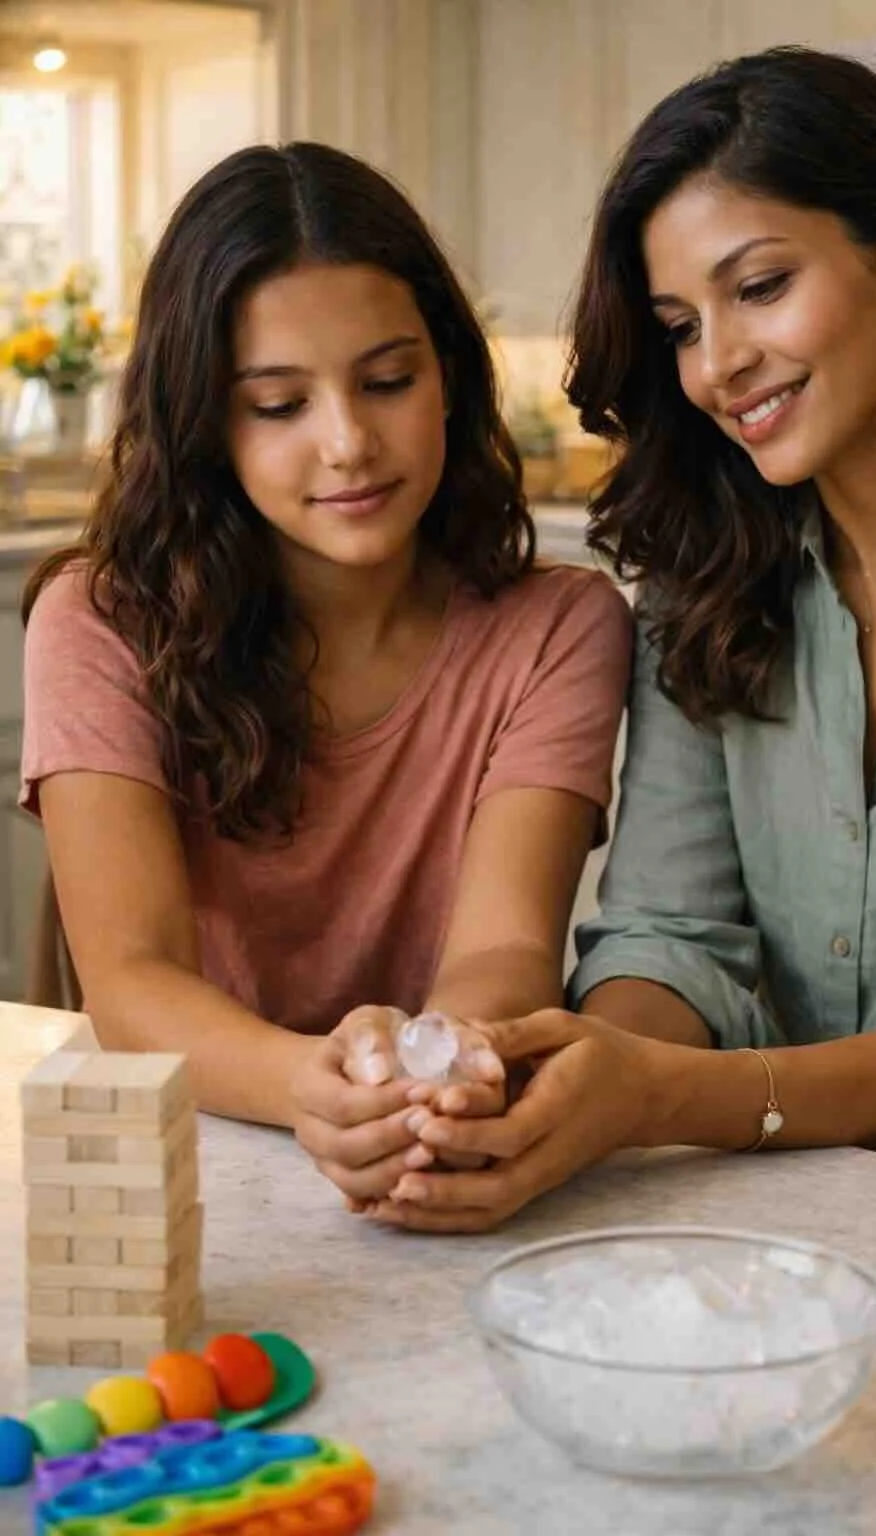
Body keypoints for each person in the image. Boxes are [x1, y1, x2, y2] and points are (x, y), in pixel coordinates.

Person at [365, 46, 876, 1233]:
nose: (717, 365)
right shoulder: (707, 577)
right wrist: (575, 1077)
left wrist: (669, 1095)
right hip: (773, 1231)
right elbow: (671, 935)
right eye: (679, 325)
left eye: (760, 286)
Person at [20, 142, 632, 1210]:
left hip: (431, 1146)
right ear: (206, 422)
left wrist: (444, 1073)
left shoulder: (559, 628)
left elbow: (505, 945)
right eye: (278, 405)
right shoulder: (99, 623)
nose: (349, 443)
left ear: (449, 378)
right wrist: (312, 1084)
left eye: (388, 382)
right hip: (185, 1165)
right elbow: (131, 979)